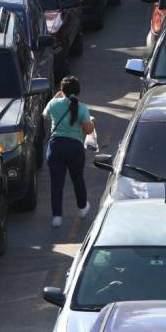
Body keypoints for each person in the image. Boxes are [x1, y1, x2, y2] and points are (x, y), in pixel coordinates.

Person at [43, 76, 94, 228]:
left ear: (62, 90)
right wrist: (93, 121)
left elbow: (45, 115)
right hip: (75, 148)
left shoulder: (53, 103)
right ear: (78, 91)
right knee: (77, 178)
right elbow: (88, 129)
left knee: (56, 183)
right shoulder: (82, 108)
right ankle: (82, 207)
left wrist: (56, 97)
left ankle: (57, 217)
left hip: (55, 147)